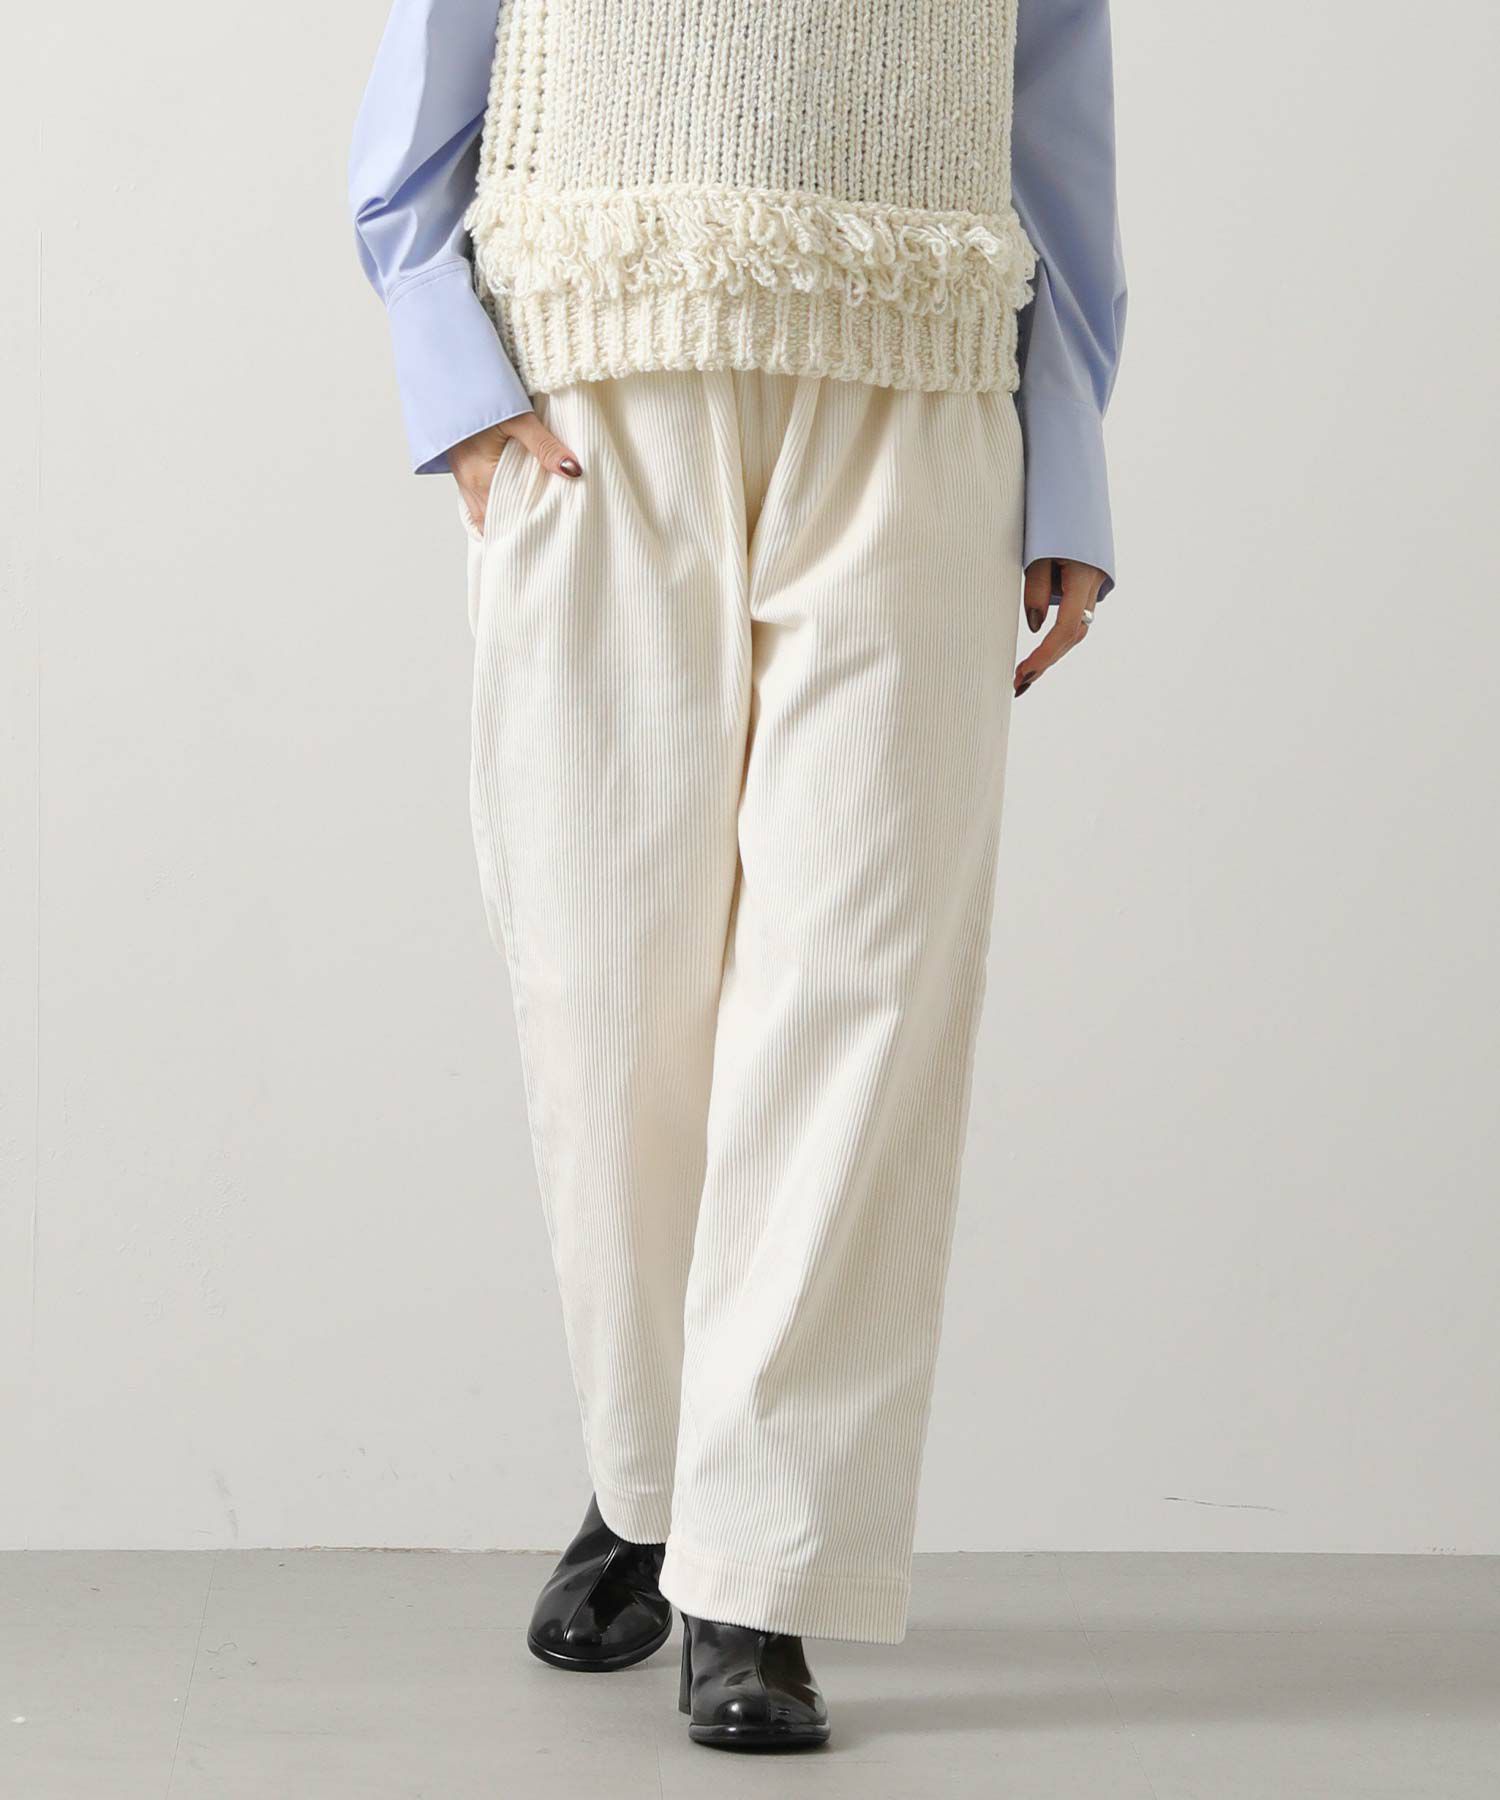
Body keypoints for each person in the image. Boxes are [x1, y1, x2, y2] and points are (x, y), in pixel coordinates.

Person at [350, 0, 1124, 1753]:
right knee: (605, 991)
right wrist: (453, 376)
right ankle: (652, 1477)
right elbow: (420, 100)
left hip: (919, 392)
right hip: (598, 394)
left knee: (859, 991)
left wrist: (1067, 457)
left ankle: (755, 1572)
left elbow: (1053, 99)